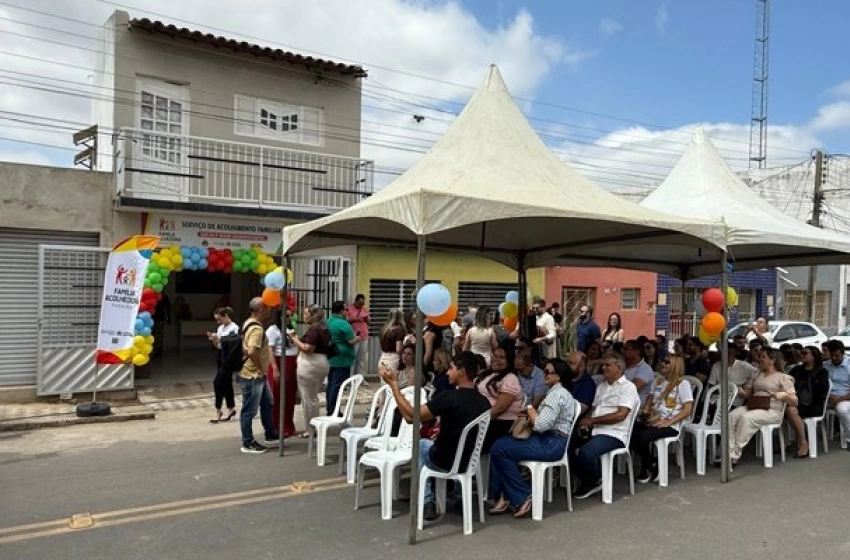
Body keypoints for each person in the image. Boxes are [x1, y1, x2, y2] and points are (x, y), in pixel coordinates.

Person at [379, 351, 490, 522]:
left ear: (462, 372)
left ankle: (427, 500)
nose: (447, 372)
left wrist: (394, 385)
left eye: (451, 368)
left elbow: (410, 417)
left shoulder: (448, 398)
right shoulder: (484, 402)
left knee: (421, 444)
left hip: (444, 461)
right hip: (469, 462)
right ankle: (460, 496)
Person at [488, 360, 579, 518]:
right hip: (549, 440)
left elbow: (540, 425)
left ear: (558, 376)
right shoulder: (556, 393)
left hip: (551, 443)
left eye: (548, 372)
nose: (544, 374)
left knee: (500, 448)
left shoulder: (557, 395)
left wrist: (530, 408)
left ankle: (521, 495)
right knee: (500, 445)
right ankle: (506, 496)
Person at [571, 354, 639, 499]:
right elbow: (593, 409)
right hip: (595, 429)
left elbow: (621, 415)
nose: (603, 368)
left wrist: (592, 421)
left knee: (586, 452)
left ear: (619, 368)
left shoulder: (628, 387)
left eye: (608, 365)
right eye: (603, 365)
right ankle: (592, 478)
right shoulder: (602, 386)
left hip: (614, 433)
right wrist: (586, 422)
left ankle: (592, 480)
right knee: (565, 446)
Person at [728, 348, 797, 465]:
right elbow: (747, 395)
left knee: (746, 418)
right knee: (731, 416)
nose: (760, 359)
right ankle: (728, 451)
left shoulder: (783, 377)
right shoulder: (757, 374)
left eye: (763, 357)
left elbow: (795, 401)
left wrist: (784, 395)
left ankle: (735, 454)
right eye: (760, 356)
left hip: (772, 410)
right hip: (754, 405)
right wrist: (739, 389)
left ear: (773, 360)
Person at [631, 356, 694, 482]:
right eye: (662, 361)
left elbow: (687, 409)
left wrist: (668, 422)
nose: (662, 364)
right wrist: (646, 413)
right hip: (655, 419)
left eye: (666, 362)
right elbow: (649, 399)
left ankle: (647, 465)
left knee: (643, 436)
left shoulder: (682, 384)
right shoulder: (658, 381)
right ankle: (651, 462)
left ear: (676, 365)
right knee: (631, 433)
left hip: (671, 424)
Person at [237, 297, 278, 454]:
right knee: (249, 409)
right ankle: (247, 442)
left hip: (257, 374)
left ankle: (270, 433)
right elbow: (252, 350)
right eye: (267, 307)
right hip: (253, 375)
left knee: (267, 403)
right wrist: (261, 368)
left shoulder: (248, 323)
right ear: (261, 309)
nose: (269, 309)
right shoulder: (257, 329)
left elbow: (245, 347)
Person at [289, 304, 332, 437]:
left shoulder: (315, 329)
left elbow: (308, 348)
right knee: (312, 398)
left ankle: (310, 428)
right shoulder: (323, 328)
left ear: (313, 315)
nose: (304, 315)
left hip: (310, 364)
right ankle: (314, 426)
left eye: (306, 313)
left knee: (308, 399)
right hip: (320, 362)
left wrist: (294, 339)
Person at [475, 345, 524, 452]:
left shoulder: (510, 379)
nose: (496, 359)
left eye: (501, 357)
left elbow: (500, 408)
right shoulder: (488, 374)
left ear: (509, 361)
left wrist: (477, 420)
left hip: (500, 423)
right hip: (485, 419)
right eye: (495, 356)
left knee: (465, 436)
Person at [786, 346, 830, 458]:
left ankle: (803, 442)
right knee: (783, 409)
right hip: (796, 402)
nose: (802, 355)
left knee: (791, 410)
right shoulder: (796, 370)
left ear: (814, 356)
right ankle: (788, 441)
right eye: (801, 352)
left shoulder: (821, 372)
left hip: (813, 404)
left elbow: (821, 391)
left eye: (805, 353)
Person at [266, 308, 298, 438]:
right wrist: (275, 368)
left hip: (291, 363)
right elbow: (270, 350)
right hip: (279, 362)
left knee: (290, 397)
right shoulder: (272, 330)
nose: (289, 319)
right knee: (277, 397)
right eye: (287, 316)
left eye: (290, 316)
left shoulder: (289, 330)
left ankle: (288, 425)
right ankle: (276, 426)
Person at [327, 301, 359, 415]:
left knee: (331, 384)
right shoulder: (343, 324)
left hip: (331, 357)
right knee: (338, 386)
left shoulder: (328, 321)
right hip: (342, 358)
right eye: (345, 309)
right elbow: (350, 341)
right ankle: (334, 410)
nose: (347, 311)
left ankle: (330, 408)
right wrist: (358, 338)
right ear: (341, 311)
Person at [208, 306, 238, 424]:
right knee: (226, 384)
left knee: (217, 383)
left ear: (226, 316)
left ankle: (218, 410)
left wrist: (219, 338)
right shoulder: (220, 327)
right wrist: (214, 340)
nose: (218, 322)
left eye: (219, 319)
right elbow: (218, 346)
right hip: (220, 356)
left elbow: (232, 343)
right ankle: (231, 409)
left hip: (229, 358)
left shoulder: (234, 328)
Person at [708, 342, 758, 407]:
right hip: (717, 398)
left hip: (735, 400)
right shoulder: (716, 365)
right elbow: (711, 385)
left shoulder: (744, 366)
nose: (726, 355)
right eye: (723, 353)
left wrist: (747, 385)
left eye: (729, 353)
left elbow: (758, 374)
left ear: (734, 353)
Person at [823, 339, 850, 449]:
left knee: (842, 410)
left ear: (843, 353)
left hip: (845, 398)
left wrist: (839, 398)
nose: (834, 358)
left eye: (837, 356)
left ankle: (848, 439)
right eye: (832, 355)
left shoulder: (849, 367)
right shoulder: (825, 366)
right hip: (827, 398)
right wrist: (828, 396)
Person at [346, 294, 370, 381]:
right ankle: (350, 378)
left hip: (363, 335)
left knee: (361, 358)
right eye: (359, 303)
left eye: (362, 304)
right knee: (353, 357)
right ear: (355, 301)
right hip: (353, 335)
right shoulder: (349, 309)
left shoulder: (364, 310)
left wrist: (367, 318)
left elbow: (369, 322)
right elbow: (346, 320)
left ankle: (360, 378)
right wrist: (357, 319)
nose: (361, 305)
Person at [378, 308, 406, 373]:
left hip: (382, 358)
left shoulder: (384, 329)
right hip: (394, 359)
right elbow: (398, 349)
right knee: (395, 382)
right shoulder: (399, 330)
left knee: (384, 383)